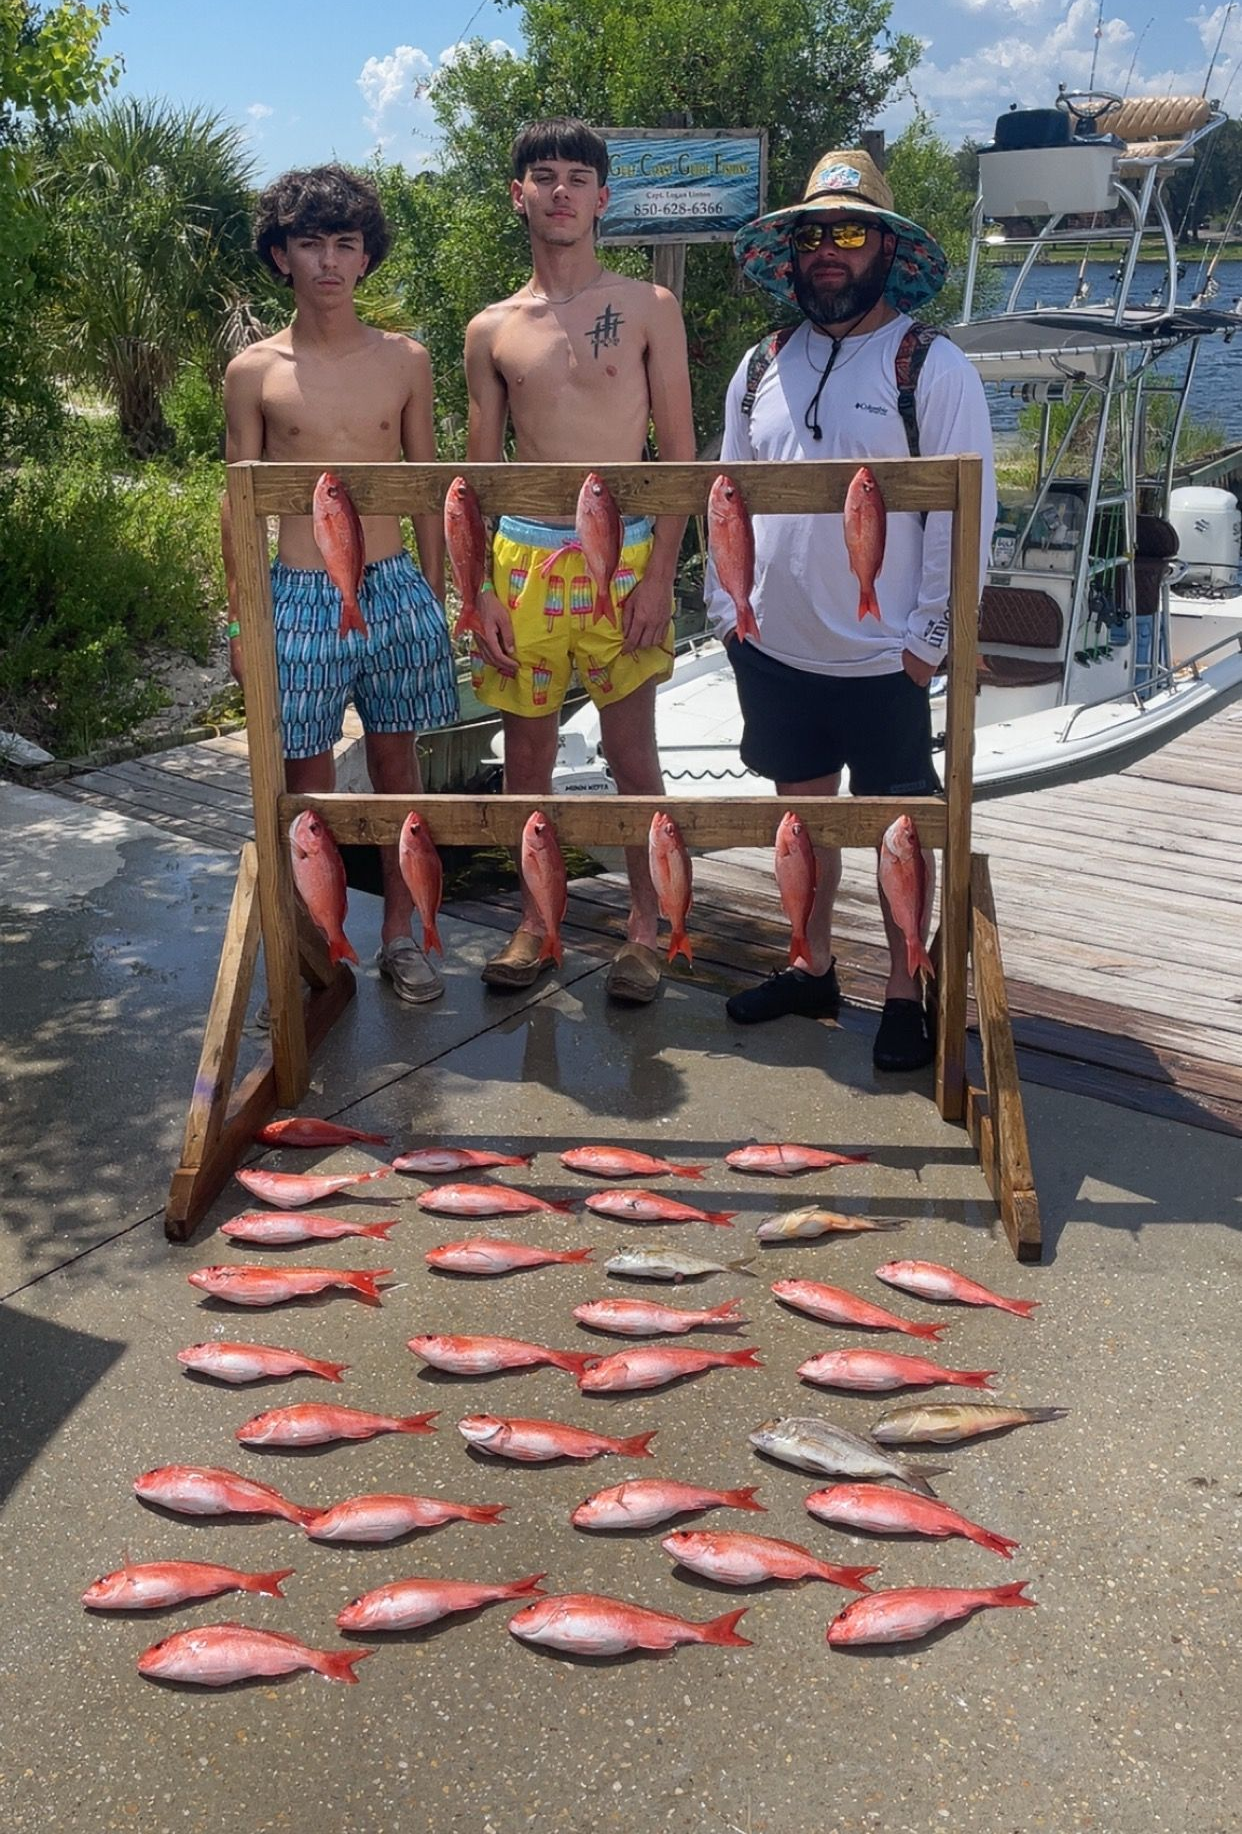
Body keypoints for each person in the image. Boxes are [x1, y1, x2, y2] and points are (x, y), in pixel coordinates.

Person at [708, 148, 996, 1071]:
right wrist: (726, 609)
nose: (828, 251)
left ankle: (906, 988)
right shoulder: (759, 366)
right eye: (812, 235)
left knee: (900, 835)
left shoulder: (932, 365)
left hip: (885, 661)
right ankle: (813, 963)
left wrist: (928, 644)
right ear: (790, 254)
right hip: (776, 648)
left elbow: (969, 511)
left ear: (885, 248)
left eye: (849, 231)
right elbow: (726, 494)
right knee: (803, 823)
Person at [464, 118, 696, 1003]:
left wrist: (660, 575)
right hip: (523, 563)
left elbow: (679, 454)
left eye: (577, 178)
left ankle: (645, 924)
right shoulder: (492, 329)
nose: (560, 191)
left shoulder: (647, 308)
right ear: (517, 194)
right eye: (543, 176)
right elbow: (481, 474)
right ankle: (538, 924)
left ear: (603, 198)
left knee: (633, 755)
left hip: (622, 554)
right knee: (528, 762)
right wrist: (479, 585)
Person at [222, 164, 457, 1004]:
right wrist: (244, 623)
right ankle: (322, 943)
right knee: (306, 777)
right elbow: (237, 503)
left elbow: (430, 486)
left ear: (366, 258)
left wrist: (436, 594)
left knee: (399, 766)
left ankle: (403, 934)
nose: (328, 260)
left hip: (394, 587)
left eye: (345, 244)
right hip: (296, 591)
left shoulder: (407, 360)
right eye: (310, 242)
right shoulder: (254, 370)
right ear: (280, 255)